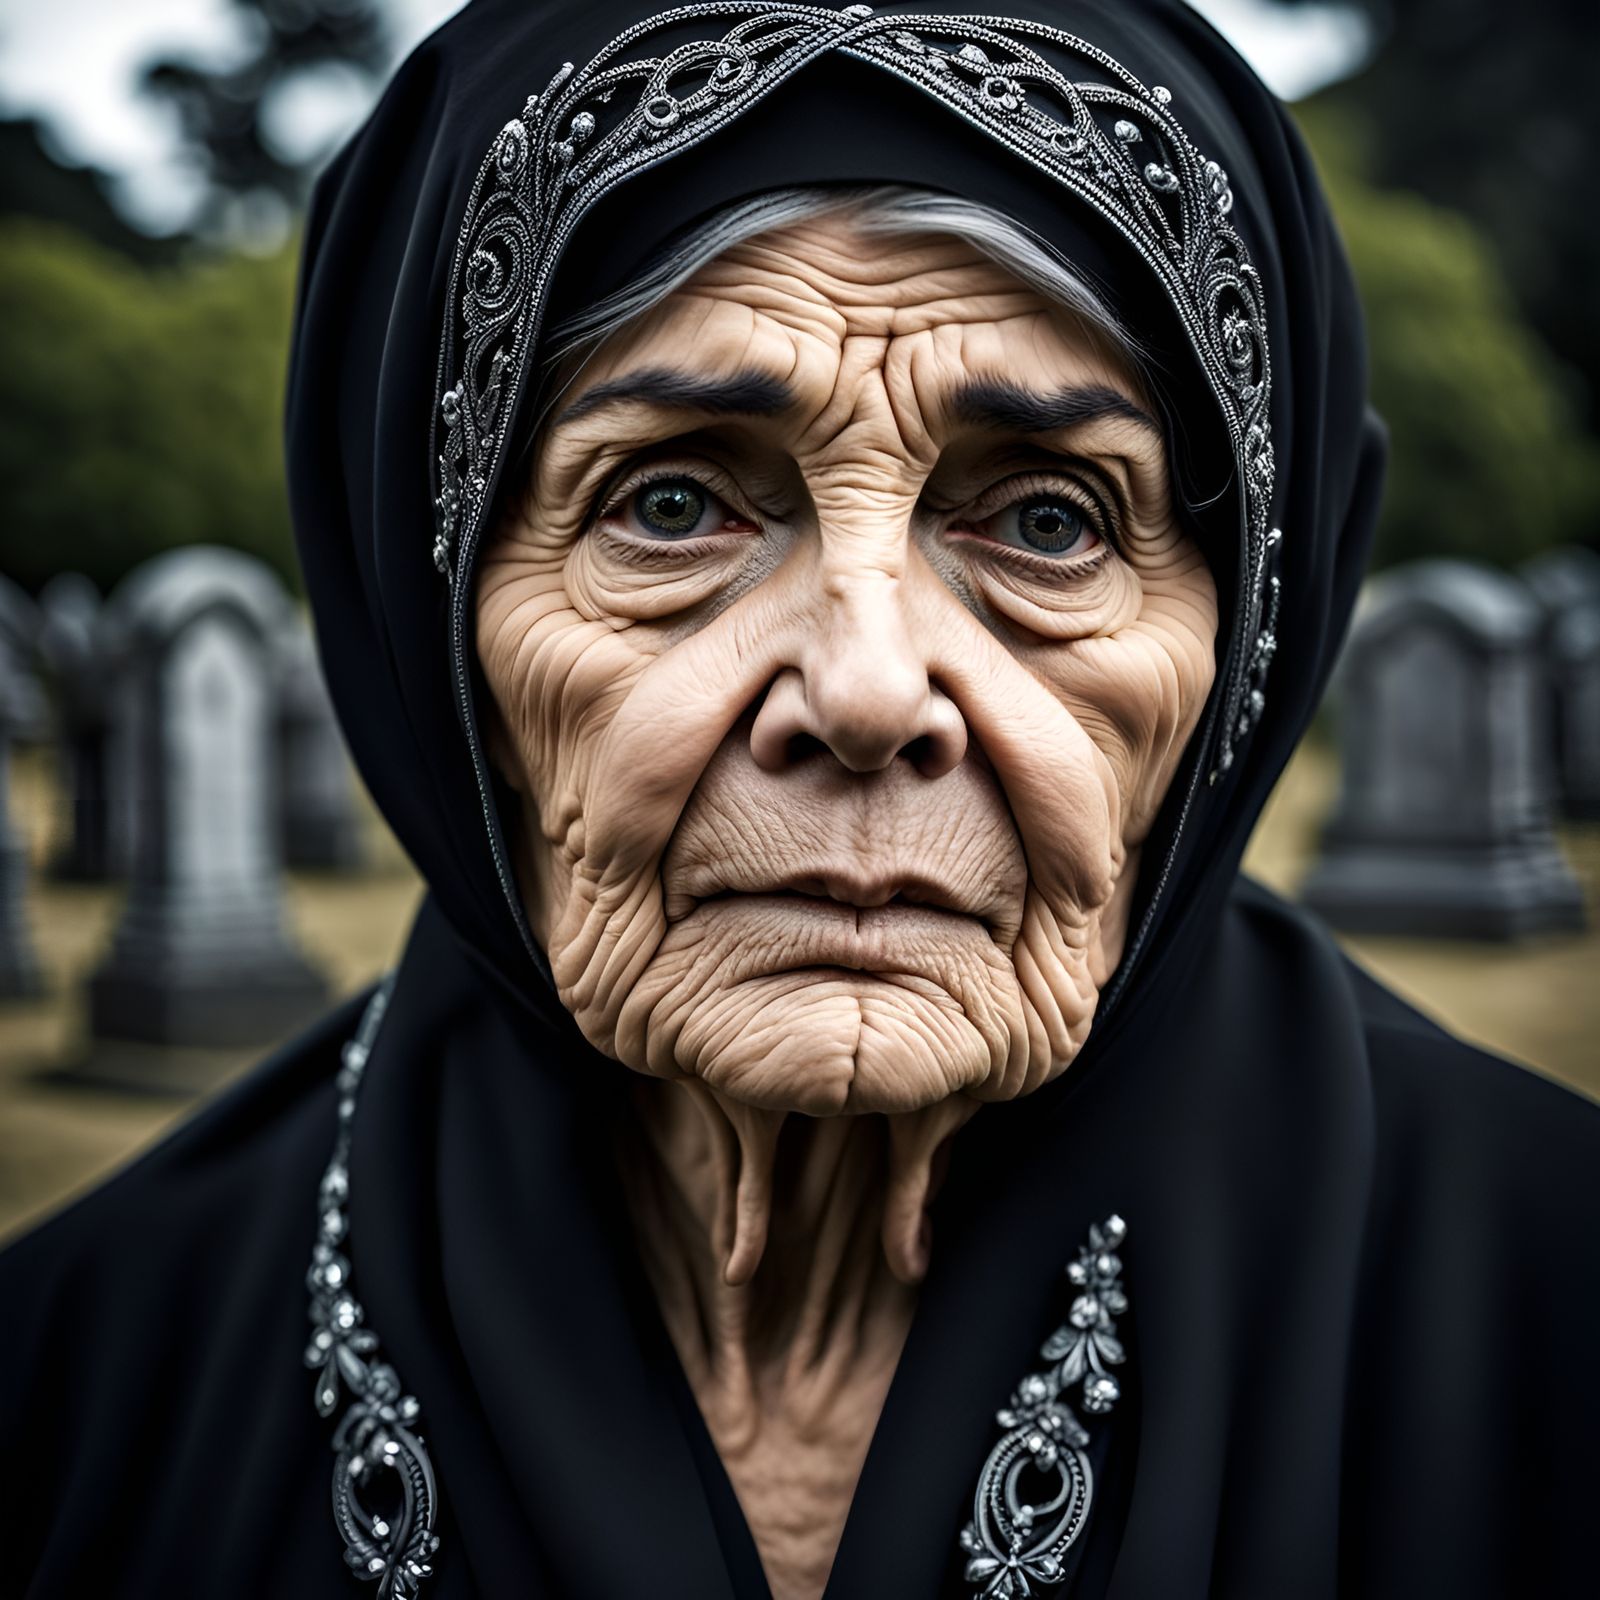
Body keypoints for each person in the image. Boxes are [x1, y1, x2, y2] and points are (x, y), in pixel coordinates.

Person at [4, 3, 1597, 1597]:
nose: (866, 690)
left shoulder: (1550, 1309)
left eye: (1050, 524)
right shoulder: (79, 1384)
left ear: (1240, 655)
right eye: (674, 503)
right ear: (433, 635)